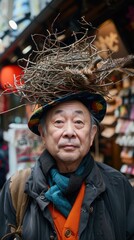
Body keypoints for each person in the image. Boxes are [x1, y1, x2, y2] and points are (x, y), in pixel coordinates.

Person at [0, 26, 134, 240]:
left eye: (79, 122)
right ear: (43, 133)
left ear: (92, 135)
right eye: (59, 121)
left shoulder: (119, 187)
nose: (69, 132)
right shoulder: (17, 190)